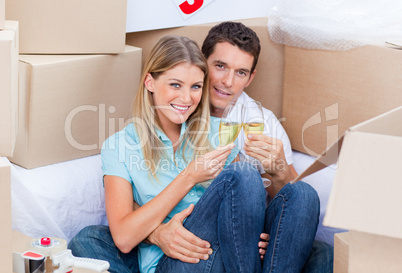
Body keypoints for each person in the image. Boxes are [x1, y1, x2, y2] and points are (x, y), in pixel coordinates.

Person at [69, 35, 269, 272]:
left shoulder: (220, 133)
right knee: (88, 239)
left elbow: (243, 204)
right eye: (175, 84)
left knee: (318, 248)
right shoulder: (120, 146)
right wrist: (189, 177)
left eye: (195, 87)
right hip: (169, 263)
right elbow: (123, 238)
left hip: (222, 255)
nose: (186, 98)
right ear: (150, 82)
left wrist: (257, 233)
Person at [147, 22, 333, 272]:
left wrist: (279, 172)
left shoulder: (262, 121)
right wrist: (155, 232)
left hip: (247, 239)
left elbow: (295, 206)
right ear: (203, 62)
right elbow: (139, 187)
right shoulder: (180, 105)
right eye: (220, 66)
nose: (227, 82)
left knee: (317, 235)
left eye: (241, 72)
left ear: (251, 77)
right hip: (200, 236)